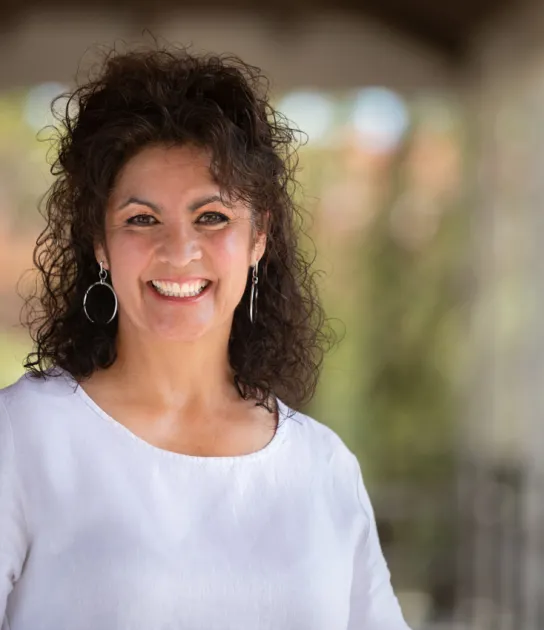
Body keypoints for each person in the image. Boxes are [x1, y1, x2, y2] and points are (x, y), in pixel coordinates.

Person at [0, 46, 411, 629]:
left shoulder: (323, 469)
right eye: (142, 219)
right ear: (99, 241)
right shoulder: (23, 439)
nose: (179, 252)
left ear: (259, 236)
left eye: (212, 217)